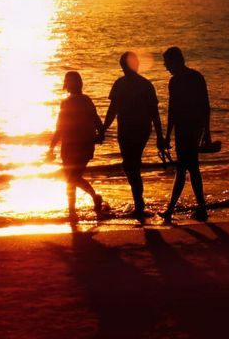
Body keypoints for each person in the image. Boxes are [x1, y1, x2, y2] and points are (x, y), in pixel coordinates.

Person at [102, 51, 163, 221]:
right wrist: (103, 129)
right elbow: (112, 110)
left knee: (131, 165)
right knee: (130, 166)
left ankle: (139, 204)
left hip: (137, 130)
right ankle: (139, 202)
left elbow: (153, 112)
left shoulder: (137, 85)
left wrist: (160, 136)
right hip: (131, 129)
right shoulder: (136, 84)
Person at [159, 46, 211, 223]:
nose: (166, 67)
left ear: (175, 61)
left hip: (189, 129)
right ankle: (200, 208)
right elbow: (175, 110)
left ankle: (171, 210)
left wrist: (207, 133)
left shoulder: (189, 79)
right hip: (190, 128)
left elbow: (203, 106)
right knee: (191, 167)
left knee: (183, 168)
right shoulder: (191, 78)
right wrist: (167, 136)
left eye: (167, 63)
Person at [47, 71, 105, 223]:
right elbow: (59, 127)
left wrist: (101, 134)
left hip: (83, 145)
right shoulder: (65, 103)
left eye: (71, 81)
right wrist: (51, 147)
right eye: (67, 81)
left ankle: (74, 211)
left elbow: (96, 120)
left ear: (77, 83)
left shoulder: (85, 100)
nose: (69, 84)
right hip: (69, 146)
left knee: (73, 178)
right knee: (72, 179)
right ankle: (89, 201)